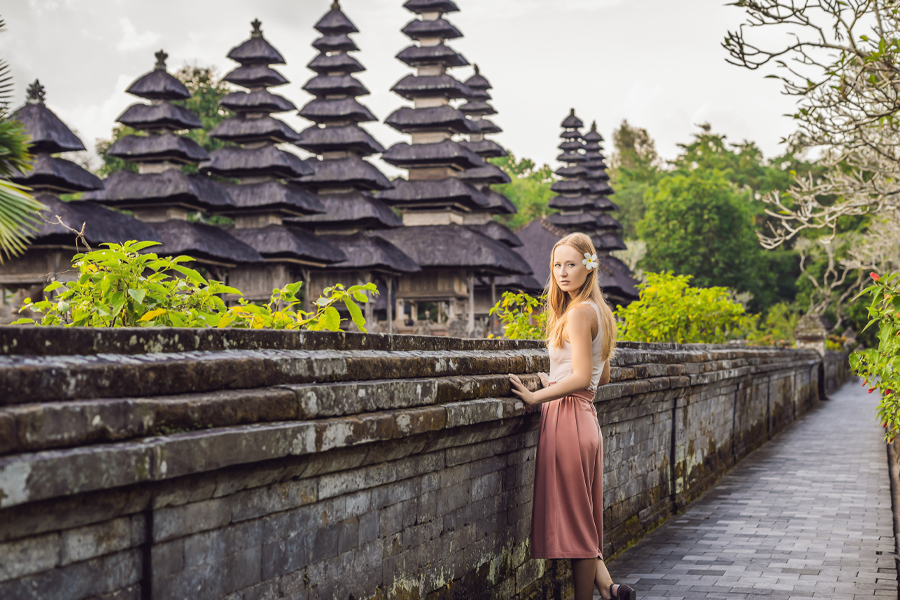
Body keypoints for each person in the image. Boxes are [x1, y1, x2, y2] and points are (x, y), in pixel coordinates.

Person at [509, 233, 637, 600]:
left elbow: (581, 376)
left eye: (571, 265)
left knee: (578, 525)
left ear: (588, 267)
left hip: (567, 419)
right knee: (582, 517)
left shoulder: (579, 312)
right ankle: (609, 590)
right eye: (557, 265)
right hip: (585, 417)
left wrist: (536, 395)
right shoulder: (599, 311)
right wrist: (558, 379)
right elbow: (602, 375)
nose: (562, 273)